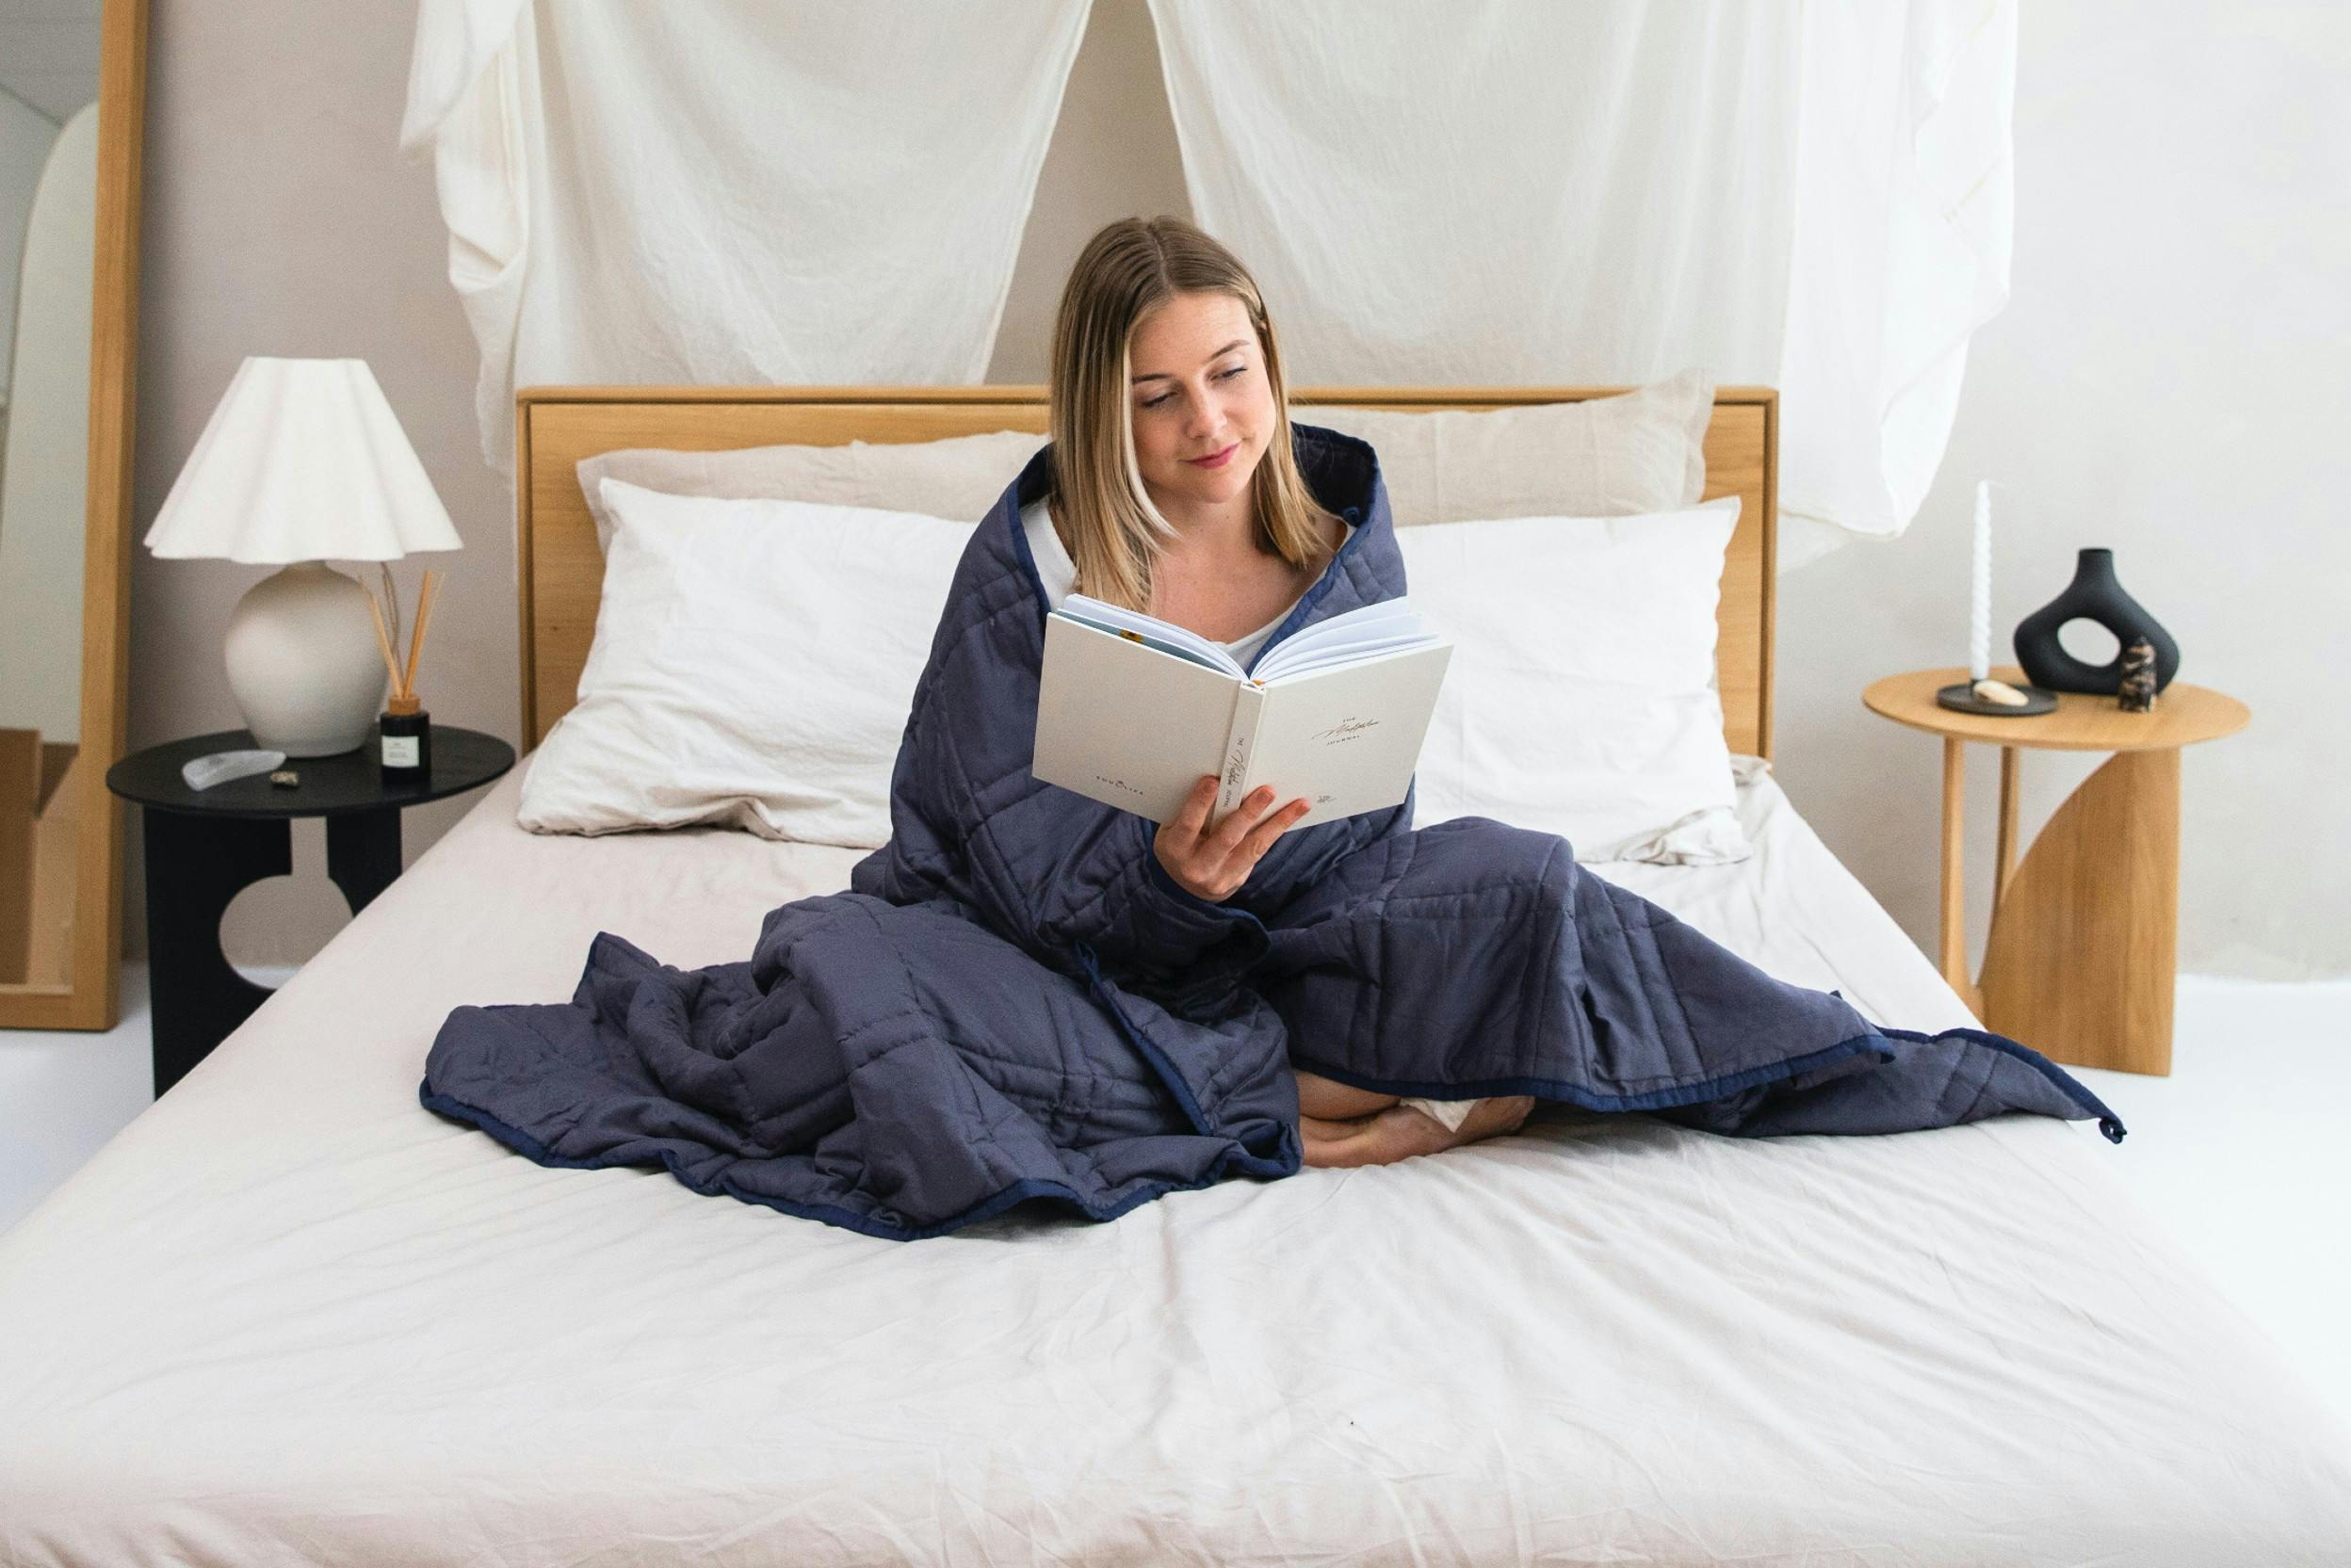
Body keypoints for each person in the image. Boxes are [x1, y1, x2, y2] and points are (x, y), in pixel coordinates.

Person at [1027, 215, 1532, 1168]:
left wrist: (1266, 872)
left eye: (1228, 373)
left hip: (1306, 952)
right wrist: (1166, 892)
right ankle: (1313, 1125)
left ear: (1269, 361)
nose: (1209, 422)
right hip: (1086, 967)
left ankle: (1226, 1082)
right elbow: (987, 839)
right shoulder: (1040, 562)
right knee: (866, 980)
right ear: (1104, 411)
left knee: (1526, 886)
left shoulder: (1344, 547)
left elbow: (1372, 828)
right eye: (1156, 396)